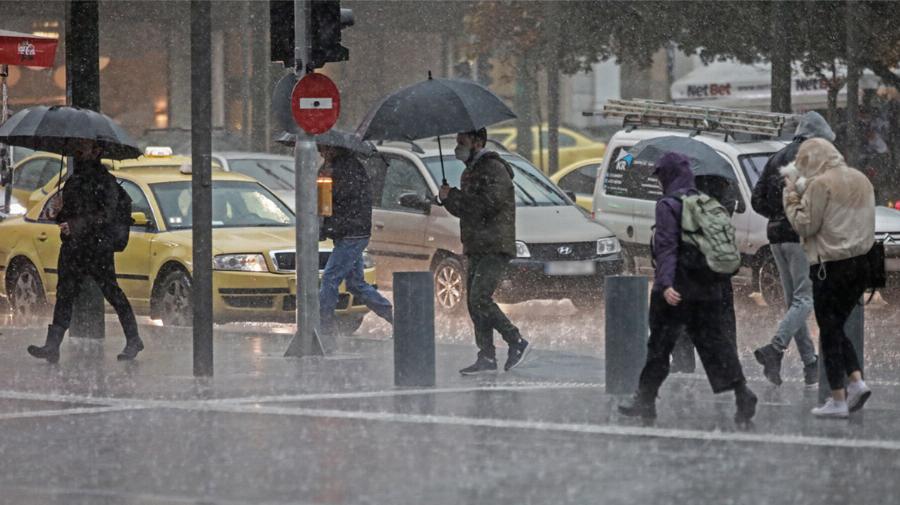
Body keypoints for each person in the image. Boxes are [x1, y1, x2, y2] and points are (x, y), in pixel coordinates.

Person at [618, 152, 757, 424]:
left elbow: (667, 248)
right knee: (716, 345)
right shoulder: (705, 203)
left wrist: (665, 285)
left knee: (658, 346)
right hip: (708, 288)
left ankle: (644, 400)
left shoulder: (669, 205)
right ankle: (743, 393)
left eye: (660, 176)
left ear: (668, 175)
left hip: (678, 290)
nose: (658, 182)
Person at [27, 141, 143, 363]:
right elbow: (68, 216)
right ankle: (53, 345)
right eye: (77, 148)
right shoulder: (74, 181)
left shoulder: (106, 182)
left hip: (97, 248)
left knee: (112, 292)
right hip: (73, 248)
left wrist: (75, 225)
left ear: (97, 152)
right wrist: (58, 213)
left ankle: (133, 338)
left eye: (84, 148)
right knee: (65, 295)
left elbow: (105, 216)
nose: (79, 152)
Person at [783, 138, 874, 418]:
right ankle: (856, 382)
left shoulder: (821, 184)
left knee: (829, 330)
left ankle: (838, 398)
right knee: (835, 327)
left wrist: (791, 196)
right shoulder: (861, 179)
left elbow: (805, 224)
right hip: (864, 263)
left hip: (831, 265)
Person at [750, 111, 835, 387]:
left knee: (794, 301)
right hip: (800, 235)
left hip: (775, 236)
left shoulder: (777, 156)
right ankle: (774, 349)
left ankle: (811, 364)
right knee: (805, 298)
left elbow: (756, 199)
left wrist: (777, 215)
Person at [438, 128, 530, 375]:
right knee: (473, 302)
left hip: (494, 245)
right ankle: (486, 355)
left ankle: (515, 340)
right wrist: (447, 198)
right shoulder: (471, 170)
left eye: (462, 141)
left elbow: (486, 205)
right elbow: (466, 210)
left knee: (480, 298)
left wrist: (455, 196)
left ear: (478, 142)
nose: (458, 146)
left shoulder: (492, 169)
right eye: (457, 141)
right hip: (476, 245)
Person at [317, 144, 393, 335]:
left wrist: (326, 179)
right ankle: (394, 317)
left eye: (323, 148)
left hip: (352, 233)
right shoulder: (338, 167)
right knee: (355, 284)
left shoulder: (347, 169)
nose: (321, 152)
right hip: (348, 232)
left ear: (335, 149)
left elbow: (335, 199)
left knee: (330, 278)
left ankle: (322, 326)